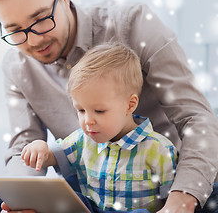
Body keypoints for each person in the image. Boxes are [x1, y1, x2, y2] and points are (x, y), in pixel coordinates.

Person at [0, 0, 218, 212]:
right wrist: (22, 200)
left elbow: (197, 119)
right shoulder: (16, 65)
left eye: (41, 18)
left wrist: (182, 199)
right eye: (16, 30)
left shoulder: (134, 23)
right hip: (88, 193)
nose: (34, 39)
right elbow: (25, 146)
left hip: (166, 186)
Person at [21, 42, 178, 212]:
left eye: (99, 111)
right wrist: (40, 148)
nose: (88, 121)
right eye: (81, 110)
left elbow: (173, 201)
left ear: (130, 105)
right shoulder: (82, 139)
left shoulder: (159, 149)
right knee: (69, 199)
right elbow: (52, 156)